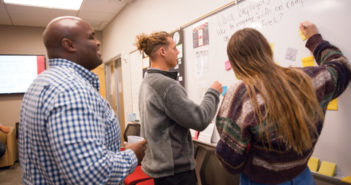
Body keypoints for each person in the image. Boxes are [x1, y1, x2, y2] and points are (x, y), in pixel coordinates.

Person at [215, 21, 351, 185]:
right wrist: (315, 39)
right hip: (303, 177)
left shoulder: (241, 94)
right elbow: (341, 67)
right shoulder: (308, 80)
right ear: (267, 50)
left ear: (235, 63)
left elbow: (231, 160)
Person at [19, 16, 147, 184]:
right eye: (91, 36)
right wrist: (132, 155)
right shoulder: (71, 90)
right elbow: (90, 174)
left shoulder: (42, 82)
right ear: (69, 45)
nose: (98, 42)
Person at [135, 31, 223, 185]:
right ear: (163, 51)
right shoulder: (166, 85)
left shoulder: (147, 81)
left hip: (163, 171)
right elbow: (200, 119)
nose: (178, 52)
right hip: (175, 174)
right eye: (174, 48)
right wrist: (213, 93)